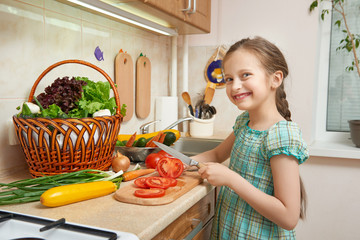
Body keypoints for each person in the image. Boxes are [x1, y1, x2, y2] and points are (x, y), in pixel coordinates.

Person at [192, 36, 309, 239]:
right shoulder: (244, 121)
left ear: (275, 79)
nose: (235, 86)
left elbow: (289, 217)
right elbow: (217, 153)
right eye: (229, 78)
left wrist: (231, 179)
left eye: (245, 75)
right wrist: (178, 163)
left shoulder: (282, 134)